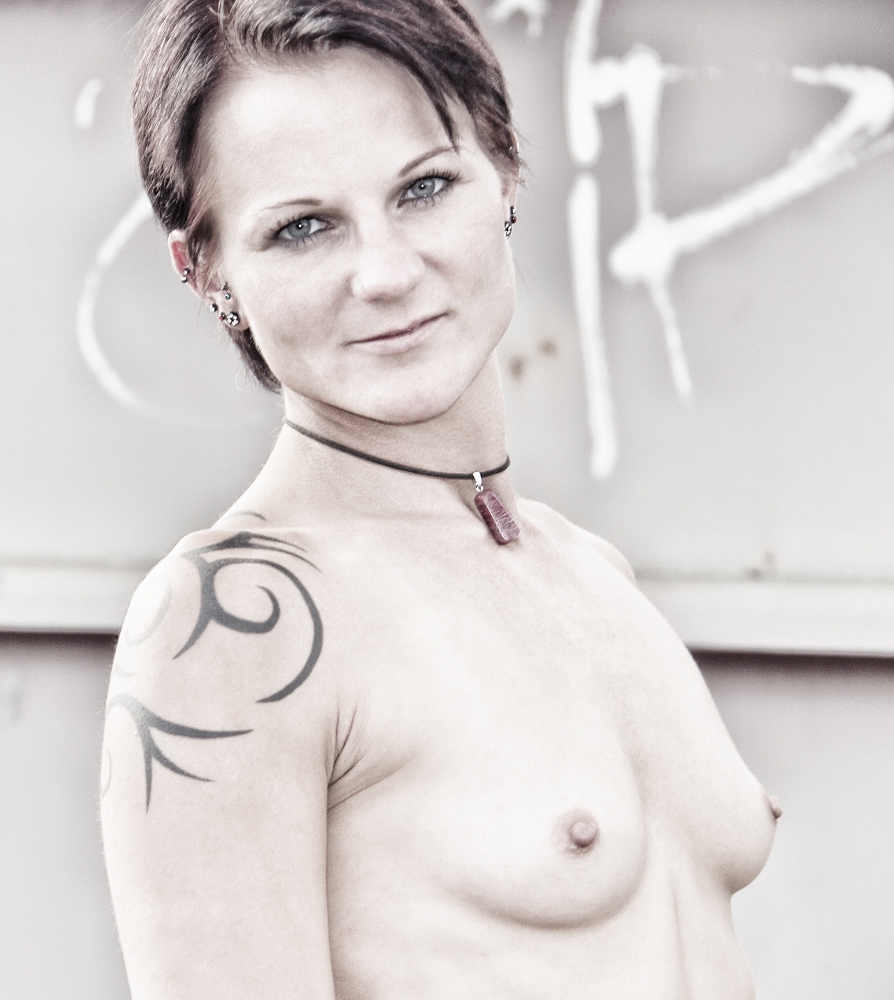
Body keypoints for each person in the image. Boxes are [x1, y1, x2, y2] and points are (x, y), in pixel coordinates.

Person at [98, 1, 781, 997]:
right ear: (205, 272)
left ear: (505, 173)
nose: (385, 273)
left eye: (423, 188)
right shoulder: (232, 624)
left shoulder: (591, 571)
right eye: (301, 228)